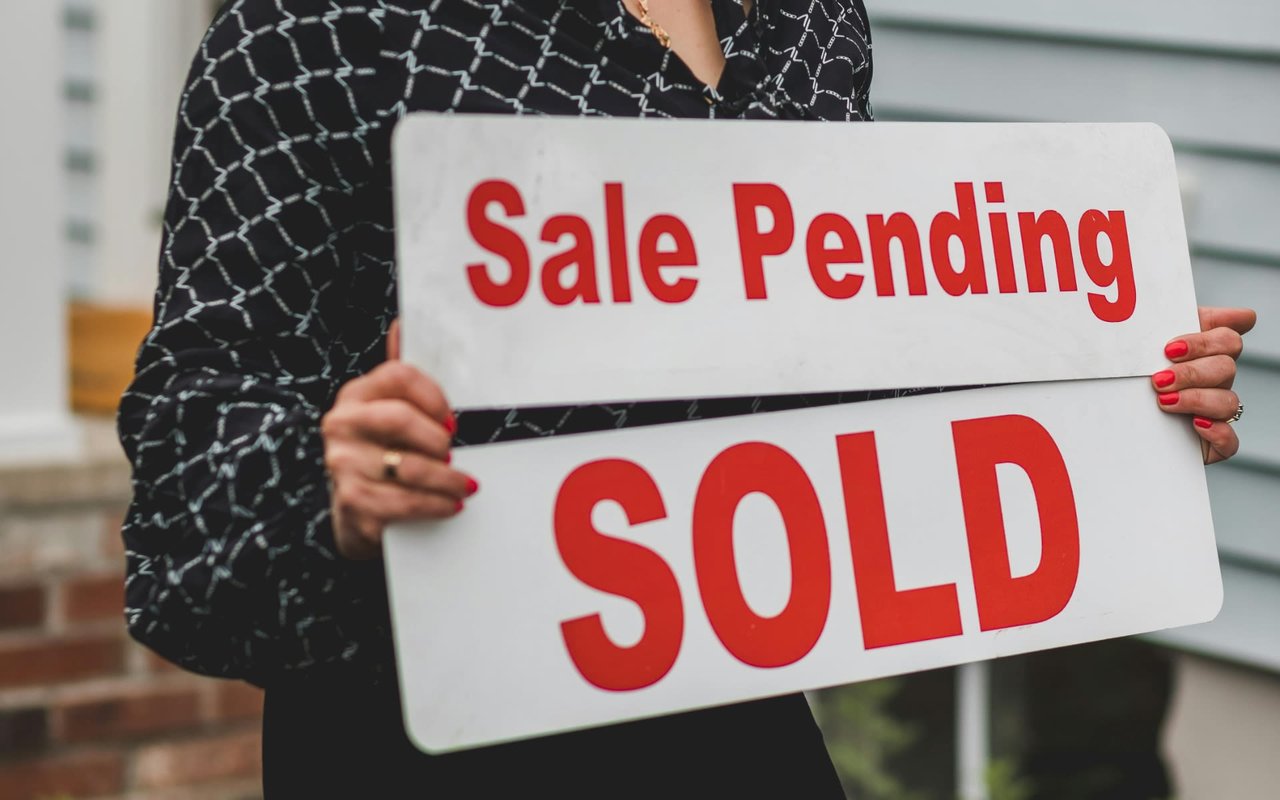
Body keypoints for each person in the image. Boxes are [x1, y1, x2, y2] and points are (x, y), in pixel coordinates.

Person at [117, 0, 1254, 796]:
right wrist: (330, 479)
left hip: (725, 707)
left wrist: (1109, 386)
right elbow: (184, 476)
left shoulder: (809, 22)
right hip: (427, 727)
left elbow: (831, 332)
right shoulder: (313, 29)